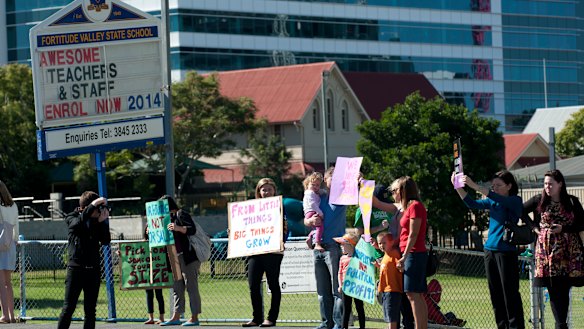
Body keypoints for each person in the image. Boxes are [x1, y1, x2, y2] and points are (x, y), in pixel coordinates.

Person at [452, 170, 525, 329]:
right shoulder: (493, 201)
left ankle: (515, 326)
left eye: (499, 185)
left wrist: (473, 185)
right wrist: (458, 186)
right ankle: (502, 326)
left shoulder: (515, 201)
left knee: (510, 293)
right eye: (493, 186)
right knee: (495, 294)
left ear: (509, 186)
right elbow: (472, 203)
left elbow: (495, 197)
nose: (495, 188)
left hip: (506, 252)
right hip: (490, 251)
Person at [522, 170, 584, 329]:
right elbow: (521, 211)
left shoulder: (571, 202)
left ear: (560, 184)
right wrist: (533, 227)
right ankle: (561, 325)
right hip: (547, 256)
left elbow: (582, 224)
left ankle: (561, 325)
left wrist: (563, 228)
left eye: (551, 184)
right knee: (554, 293)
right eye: (545, 184)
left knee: (564, 292)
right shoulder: (539, 200)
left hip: (569, 255)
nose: (547, 187)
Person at [373, 177, 428, 329]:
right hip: (410, 253)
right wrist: (362, 184)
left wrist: (404, 256)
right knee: (415, 294)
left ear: (404, 191)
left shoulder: (415, 206)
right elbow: (375, 202)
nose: (393, 193)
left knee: (412, 294)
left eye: (395, 190)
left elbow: (413, 234)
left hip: (414, 253)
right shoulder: (406, 206)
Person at [57, 191, 111, 329]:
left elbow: (106, 240)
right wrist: (93, 205)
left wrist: (103, 222)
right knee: (68, 308)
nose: (99, 211)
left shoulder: (97, 221)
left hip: (93, 271)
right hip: (76, 270)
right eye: (97, 208)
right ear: (86, 208)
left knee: (90, 311)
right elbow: (78, 224)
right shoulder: (72, 217)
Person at [242, 178, 288, 327]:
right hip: (254, 251)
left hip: (273, 251)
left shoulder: (279, 206)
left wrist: (281, 240)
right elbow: (243, 226)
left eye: (269, 189)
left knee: (273, 284)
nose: (266, 192)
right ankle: (257, 318)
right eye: (263, 189)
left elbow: (285, 228)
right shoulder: (251, 207)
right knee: (253, 285)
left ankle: (271, 318)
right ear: (259, 191)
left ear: (274, 190)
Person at [304, 166, 347, 329]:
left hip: (334, 247)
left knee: (337, 289)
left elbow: (358, 192)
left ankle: (338, 323)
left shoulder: (342, 197)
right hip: (318, 247)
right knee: (322, 291)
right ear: (326, 180)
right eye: (332, 178)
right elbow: (307, 219)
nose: (336, 181)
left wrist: (358, 180)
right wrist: (309, 224)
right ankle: (326, 322)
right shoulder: (316, 196)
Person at [159, 195, 201, 327]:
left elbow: (192, 229)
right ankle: (176, 316)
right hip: (174, 257)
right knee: (177, 287)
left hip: (187, 257)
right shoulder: (164, 219)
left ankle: (194, 317)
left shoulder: (181, 214)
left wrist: (178, 228)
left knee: (191, 286)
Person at [333, 232, 365, 329]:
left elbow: (362, 272)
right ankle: (344, 327)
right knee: (346, 309)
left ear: (350, 245)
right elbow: (340, 272)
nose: (341, 247)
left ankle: (362, 327)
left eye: (343, 245)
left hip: (356, 287)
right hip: (345, 287)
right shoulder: (342, 258)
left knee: (359, 307)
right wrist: (340, 285)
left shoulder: (359, 257)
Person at [354, 184, 390, 260]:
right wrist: (379, 228)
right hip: (372, 254)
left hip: (390, 252)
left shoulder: (390, 207)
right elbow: (359, 233)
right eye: (380, 202)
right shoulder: (363, 210)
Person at [0, 180, 18, 324]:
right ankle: (11, 316)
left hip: (0, 244)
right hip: (11, 243)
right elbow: (16, 226)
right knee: (8, 283)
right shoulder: (13, 205)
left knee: (0, 283)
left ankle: (5, 315)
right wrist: (15, 240)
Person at [377, 232, 403, 329]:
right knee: (389, 316)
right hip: (386, 291)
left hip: (392, 291)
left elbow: (399, 265)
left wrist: (400, 267)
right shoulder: (386, 256)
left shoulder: (393, 253)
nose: (381, 245)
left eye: (384, 243)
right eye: (380, 243)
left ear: (391, 242)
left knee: (392, 318)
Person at [143, 226, 165, 325]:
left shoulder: (159, 242)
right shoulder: (142, 243)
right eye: (147, 229)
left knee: (159, 295)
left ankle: (161, 317)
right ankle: (150, 317)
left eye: (150, 228)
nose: (148, 230)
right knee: (149, 295)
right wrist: (121, 253)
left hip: (158, 272)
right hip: (147, 273)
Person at [303, 172, 325, 251]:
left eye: (317, 185)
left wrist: (322, 191)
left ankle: (310, 237)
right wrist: (320, 213)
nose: (315, 187)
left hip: (309, 212)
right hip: (312, 211)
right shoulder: (310, 193)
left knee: (316, 228)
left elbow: (321, 192)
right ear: (307, 184)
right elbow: (312, 204)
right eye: (313, 184)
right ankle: (317, 244)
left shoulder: (313, 193)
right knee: (320, 227)